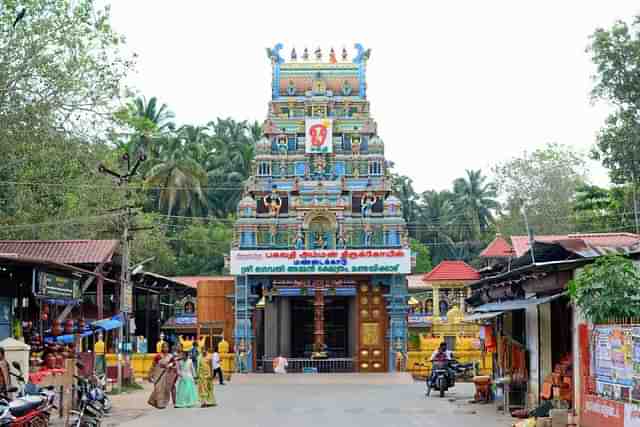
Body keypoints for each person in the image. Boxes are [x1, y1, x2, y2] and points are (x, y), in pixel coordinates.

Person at [147, 343, 177, 409]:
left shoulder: (170, 356)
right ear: (162, 348)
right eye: (164, 347)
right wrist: (149, 374)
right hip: (158, 375)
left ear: (168, 348)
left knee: (165, 390)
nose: (165, 349)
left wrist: (170, 366)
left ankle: (161, 403)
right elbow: (153, 365)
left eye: (167, 347)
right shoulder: (158, 356)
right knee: (158, 389)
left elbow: (174, 365)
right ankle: (159, 403)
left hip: (167, 375)